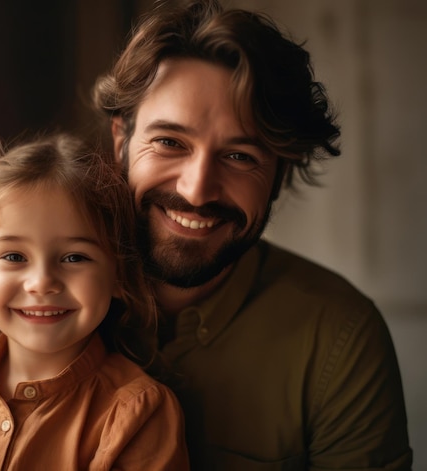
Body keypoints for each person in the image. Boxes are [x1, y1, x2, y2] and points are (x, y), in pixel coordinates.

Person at [92, 0, 412, 469]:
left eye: (240, 156)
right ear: (122, 140)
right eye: (170, 143)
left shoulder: (339, 336)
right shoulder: (32, 290)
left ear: (280, 174)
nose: (197, 190)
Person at [0, 133, 189, 470]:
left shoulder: (138, 414)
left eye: (74, 258)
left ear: (119, 276)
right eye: (13, 256)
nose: (41, 283)